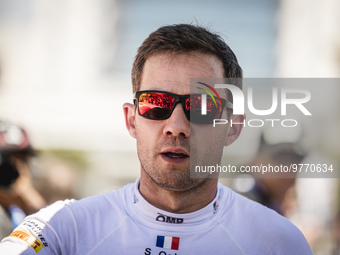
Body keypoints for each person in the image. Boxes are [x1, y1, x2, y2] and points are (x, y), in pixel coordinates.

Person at [0, 24, 313, 254]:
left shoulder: (280, 241)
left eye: (201, 107)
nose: (176, 127)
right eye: (156, 104)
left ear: (232, 127)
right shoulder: (65, 227)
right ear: (131, 119)